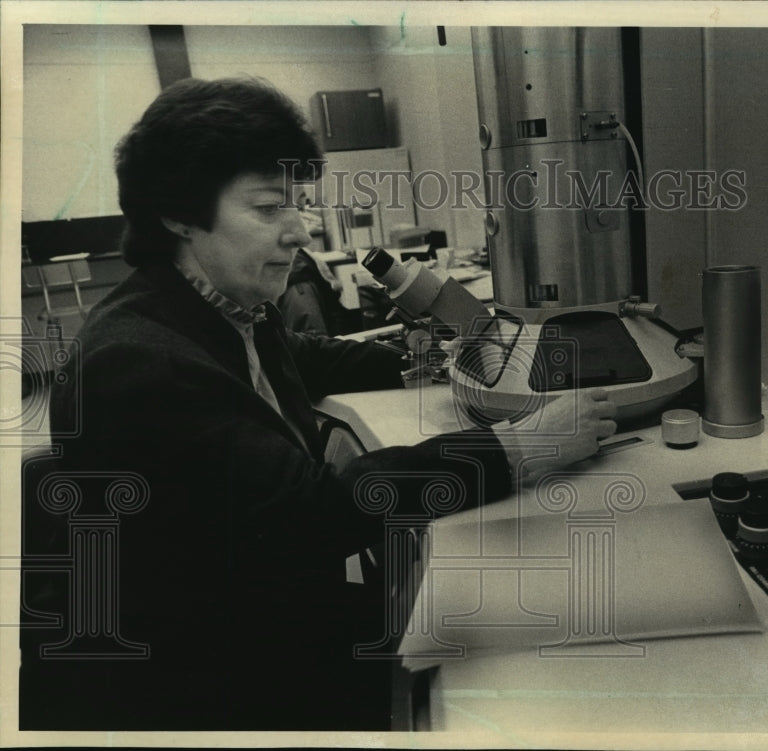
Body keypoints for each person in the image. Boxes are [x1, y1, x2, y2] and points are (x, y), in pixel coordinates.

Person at [21, 77, 616, 731]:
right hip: (189, 673)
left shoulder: (212, 303)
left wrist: (427, 367)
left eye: (297, 204)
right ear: (180, 213)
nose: (299, 230)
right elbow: (315, 510)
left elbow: (304, 357)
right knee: (504, 659)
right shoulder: (139, 363)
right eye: (270, 207)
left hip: (239, 608)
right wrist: (513, 449)